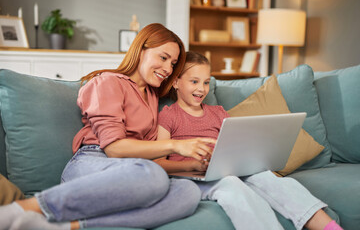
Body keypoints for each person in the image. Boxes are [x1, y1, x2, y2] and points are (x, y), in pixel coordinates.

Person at [0, 24, 216, 230]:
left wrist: (192, 165)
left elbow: (150, 159)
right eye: (163, 58)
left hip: (134, 171)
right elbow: (114, 148)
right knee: (152, 174)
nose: (168, 68)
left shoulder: (151, 95)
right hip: (94, 162)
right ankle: (21, 210)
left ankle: (65, 226)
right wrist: (176, 146)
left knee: (188, 192)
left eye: (173, 63)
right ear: (141, 50)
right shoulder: (108, 82)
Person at [155, 51, 343, 230]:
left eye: (205, 82)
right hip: (193, 179)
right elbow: (159, 162)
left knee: (268, 178)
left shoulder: (217, 112)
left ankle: (328, 226)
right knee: (232, 185)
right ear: (176, 82)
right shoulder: (169, 116)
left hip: (225, 169)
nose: (201, 88)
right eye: (194, 81)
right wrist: (192, 166)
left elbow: (235, 144)